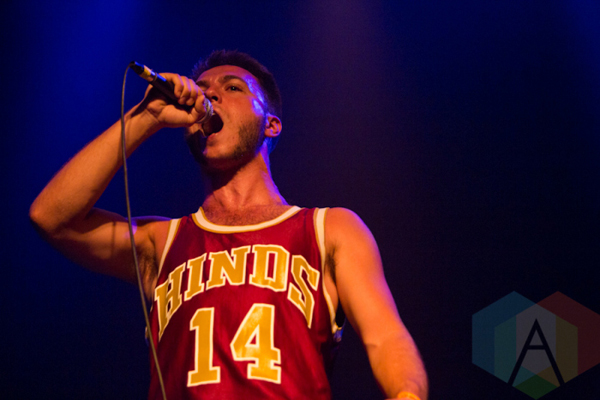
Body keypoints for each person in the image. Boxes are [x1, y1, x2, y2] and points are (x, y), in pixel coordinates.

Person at [30, 50, 428, 400]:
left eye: (233, 88)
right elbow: (52, 218)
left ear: (271, 124)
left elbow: (385, 336)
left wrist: (406, 394)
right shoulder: (162, 242)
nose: (210, 95)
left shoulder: (328, 228)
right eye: (203, 89)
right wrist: (146, 117)